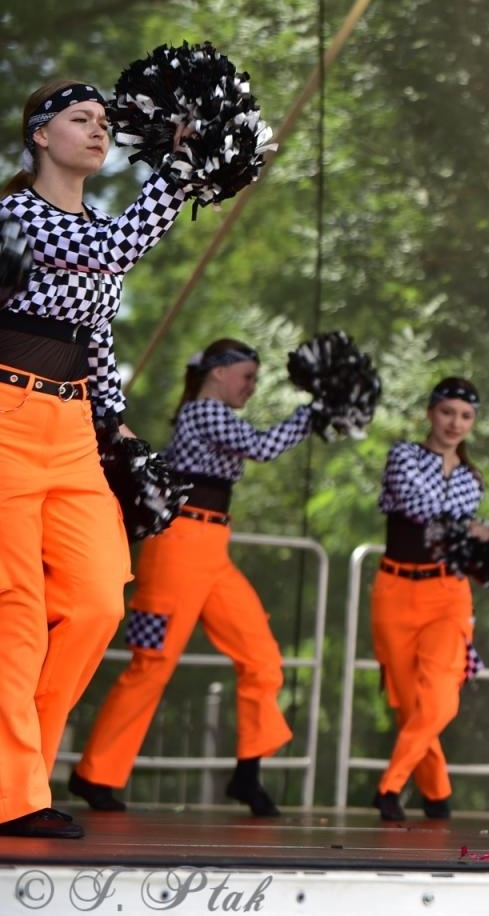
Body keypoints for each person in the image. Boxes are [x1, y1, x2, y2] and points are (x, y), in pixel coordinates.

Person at [0, 80, 190, 838]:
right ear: (41, 136)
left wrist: (118, 433)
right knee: (15, 615)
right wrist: (178, 173)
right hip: (6, 418)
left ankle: (19, 773)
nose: (98, 130)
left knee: (98, 601)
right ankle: (16, 795)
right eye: (81, 119)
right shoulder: (14, 214)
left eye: (105, 122)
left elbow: (98, 342)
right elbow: (115, 250)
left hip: (75, 427)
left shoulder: (101, 225)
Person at [70, 339, 315, 817]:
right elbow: (263, 447)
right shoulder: (204, 411)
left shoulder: (210, 412)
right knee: (151, 663)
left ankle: (248, 772)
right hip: (177, 549)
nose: (252, 385)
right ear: (218, 374)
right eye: (247, 375)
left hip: (212, 549)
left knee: (262, 658)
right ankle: (94, 774)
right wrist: (314, 412)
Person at [370, 377, 489, 822]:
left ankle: (390, 786)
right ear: (430, 412)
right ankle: (437, 795)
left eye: (465, 416)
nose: (454, 423)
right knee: (409, 705)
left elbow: (460, 535)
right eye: (447, 412)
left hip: (448, 594)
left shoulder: (471, 477)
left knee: (441, 700)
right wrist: (473, 528)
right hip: (395, 591)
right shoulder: (403, 455)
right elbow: (418, 507)